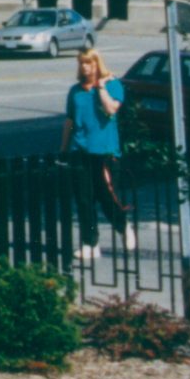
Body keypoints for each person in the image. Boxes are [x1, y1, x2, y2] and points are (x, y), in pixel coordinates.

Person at [60, 46, 131, 262]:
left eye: (89, 63)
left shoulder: (112, 85)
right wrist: (64, 148)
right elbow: (70, 121)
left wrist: (100, 88)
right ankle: (90, 243)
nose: (85, 67)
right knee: (84, 200)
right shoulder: (75, 91)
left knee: (106, 196)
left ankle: (122, 225)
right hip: (81, 151)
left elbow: (111, 109)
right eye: (82, 63)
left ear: (97, 63)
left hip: (105, 152)